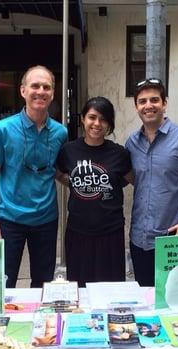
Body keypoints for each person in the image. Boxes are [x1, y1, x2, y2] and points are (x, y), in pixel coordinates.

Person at [0, 65, 67, 288]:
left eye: (46, 87)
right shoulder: (2, 129)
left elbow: (55, 170)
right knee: (4, 282)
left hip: (46, 219)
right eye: (35, 86)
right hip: (9, 219)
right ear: (23, 91)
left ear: (52, 93)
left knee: (43, 282)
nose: (40, 91)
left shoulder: (60, 132)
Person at [125, 78, 178, 286]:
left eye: (154, 100)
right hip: (139, 237)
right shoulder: (132, 142)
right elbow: (130, 178)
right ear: (136, 106)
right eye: (142, 101)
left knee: (174, 298)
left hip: (172, 235)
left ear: (164, 103)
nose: (148, 105)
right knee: (145, 295)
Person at [56, 97, 132, 287]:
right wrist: (76, 183)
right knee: (80, 288)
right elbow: (58, 173)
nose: (97, 123)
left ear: (109, 124)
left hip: (110, 231)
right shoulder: (68, 150)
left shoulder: (119, 153)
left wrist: (105, 184)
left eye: (104, 119)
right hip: (78, 231)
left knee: (112, 288)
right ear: (83, 119)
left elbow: (130, 179)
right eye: (92, 117)